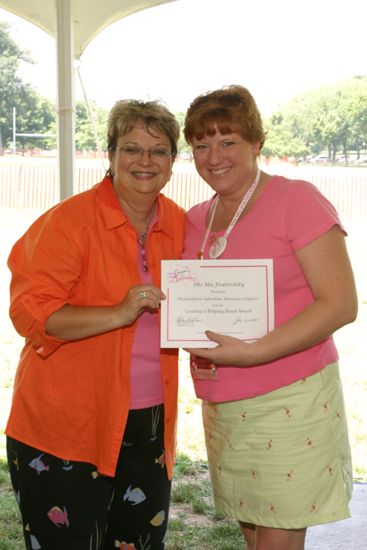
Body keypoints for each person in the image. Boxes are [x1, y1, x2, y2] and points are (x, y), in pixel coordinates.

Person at [181, 85, 358, 550]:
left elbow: (340, 303)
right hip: (223, 406)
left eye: (228, 141)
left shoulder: (296, 200)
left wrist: (254, 350)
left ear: (256, 143)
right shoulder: (196, 218)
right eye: (201, 145)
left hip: (290, 399)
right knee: (254, 535)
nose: (213, 156)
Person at [6, 99, 185, 550]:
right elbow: (30, 314)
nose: (145, 161)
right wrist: (117, 313)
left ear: (172, 162)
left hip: (149, 423)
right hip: (66, 426)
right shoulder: (68, 222)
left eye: (158, 150)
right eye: (131, 148)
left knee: (139, 544)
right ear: (110, 156)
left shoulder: (182, 225)